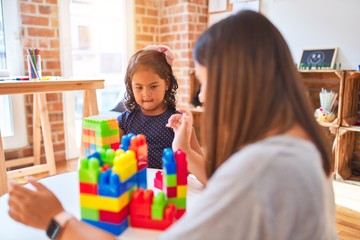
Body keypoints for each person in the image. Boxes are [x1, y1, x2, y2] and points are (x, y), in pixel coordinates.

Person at [8, 10, 337, 239]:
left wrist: (57, 221)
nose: (204, 96)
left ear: (238, 82)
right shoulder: (300, 147)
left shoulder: (261, 170)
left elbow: (235, 183)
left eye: (206, 82)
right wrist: (183, 149)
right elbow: (221, 178)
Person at [117, 44, 201, 169]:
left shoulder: (178, 121)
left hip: (168, 185)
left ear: (166, 83)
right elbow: (114, 157)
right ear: (130, 86)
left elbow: (198, 159)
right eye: (139, 87)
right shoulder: (124, 121)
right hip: (135, 185)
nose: (146, 94)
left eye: (153, 86)